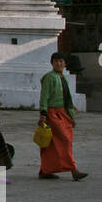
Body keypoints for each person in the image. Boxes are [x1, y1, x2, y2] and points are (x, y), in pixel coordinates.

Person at [38, 52, 89, 180]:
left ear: (65, 64)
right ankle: (73, 170)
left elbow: (67, 98)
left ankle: (45, 170)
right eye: (56, 61)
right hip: (52, 113)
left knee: (51, 144)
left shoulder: (63, 78)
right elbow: (44, 96)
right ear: (52, 63)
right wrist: (43, 113)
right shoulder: (49, 77)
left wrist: (71, 114)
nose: (59, 63)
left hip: (63, 113)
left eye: (61, 61)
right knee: (65, 140)